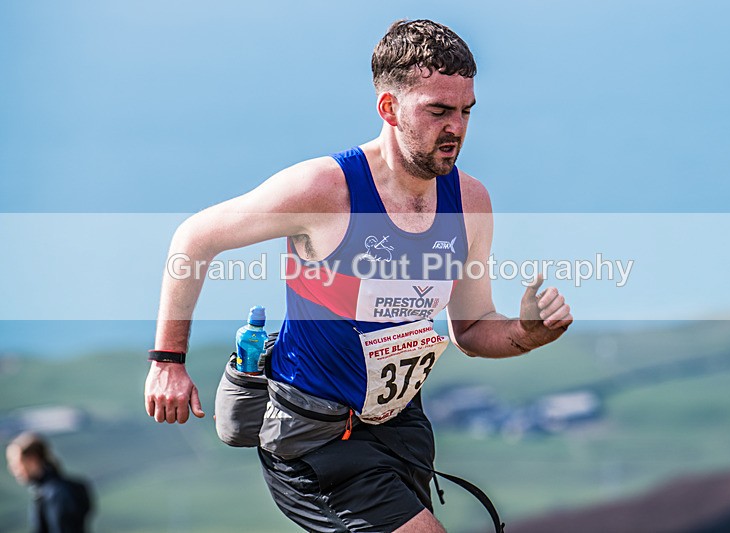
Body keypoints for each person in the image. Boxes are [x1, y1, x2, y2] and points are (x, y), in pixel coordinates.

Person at [144, 19, 572, 532]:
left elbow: (474, 329)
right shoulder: (325, 190)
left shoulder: (469, 202)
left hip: (402, 430)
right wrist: (168, 360)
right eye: (438, 110)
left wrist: (528, 334)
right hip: (314, 439)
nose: (456, 127)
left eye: (465, 111)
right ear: (389, 109)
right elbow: (195, 238)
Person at [6, 432, 93, 533]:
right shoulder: (52, 490)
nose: (12, 469)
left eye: (16, 463)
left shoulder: (56, 494)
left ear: (32, 460)